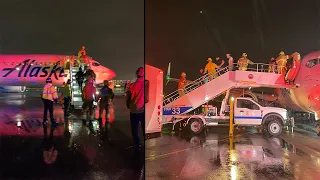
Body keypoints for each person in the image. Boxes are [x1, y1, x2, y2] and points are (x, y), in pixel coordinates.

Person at [126, 67, 144, 153]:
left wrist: (128, 106)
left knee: (135, 129)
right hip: (143, 110)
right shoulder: (146, 84)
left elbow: (128, 98)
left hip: (133, 110)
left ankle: (137, 146)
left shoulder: (132, 85)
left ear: (137, 74)